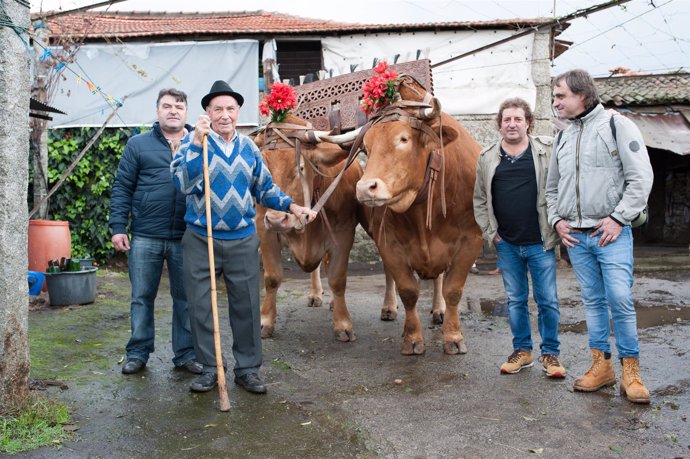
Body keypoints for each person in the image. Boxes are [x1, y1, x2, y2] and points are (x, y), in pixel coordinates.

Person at [171, 80, 317, 394]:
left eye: (230, 109)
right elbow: (182, 183)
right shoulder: (192, 143)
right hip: (201, 238)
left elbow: (264, 189)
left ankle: (247, 370)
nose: (224, 115)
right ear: (207, 113)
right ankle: (210, 369)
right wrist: (196, 144)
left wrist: (293, 206)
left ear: (238, 112)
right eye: (217, 109)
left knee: (247, 306)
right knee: (200, 306)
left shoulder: (250, 148)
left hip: (242, 239)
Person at [546, 69, 653, 404]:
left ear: (582, 95)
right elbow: (552, 188)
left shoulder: (615, 125)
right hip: (576, 237)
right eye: (554, 96)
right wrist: (556, 221)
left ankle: (631, 372)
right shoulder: (563, 136)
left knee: (619, 298)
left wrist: (619, 218)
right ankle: (602, 367)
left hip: (611, 234)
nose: (556, 102)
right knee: (592, 302)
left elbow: (641, 177)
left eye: (561, 95)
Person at [110, 88, 202, 376]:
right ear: (157, 110)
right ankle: (137, 352)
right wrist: (117, 227)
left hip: (185, 236)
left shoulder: (199, 144)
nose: (173, 110)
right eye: (167, 106)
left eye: (178, 106)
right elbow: (122, 187)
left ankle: (186, 354)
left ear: (186, 112)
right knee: (141, 296)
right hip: (146, 235)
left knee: (185, 298)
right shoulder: (138, 145)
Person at [474, 97, 565, 378]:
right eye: (507, 120)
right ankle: (523, 352)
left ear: (528, 122)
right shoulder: (487, 157)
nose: (512, 124)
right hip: (508, 244)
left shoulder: (547, 150)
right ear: (499, 125)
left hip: (541, 242)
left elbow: (561, 188)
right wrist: (491, 232)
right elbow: (479, 199)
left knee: (547, 299)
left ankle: (550, 355)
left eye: (517, 119)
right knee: (516, 300)